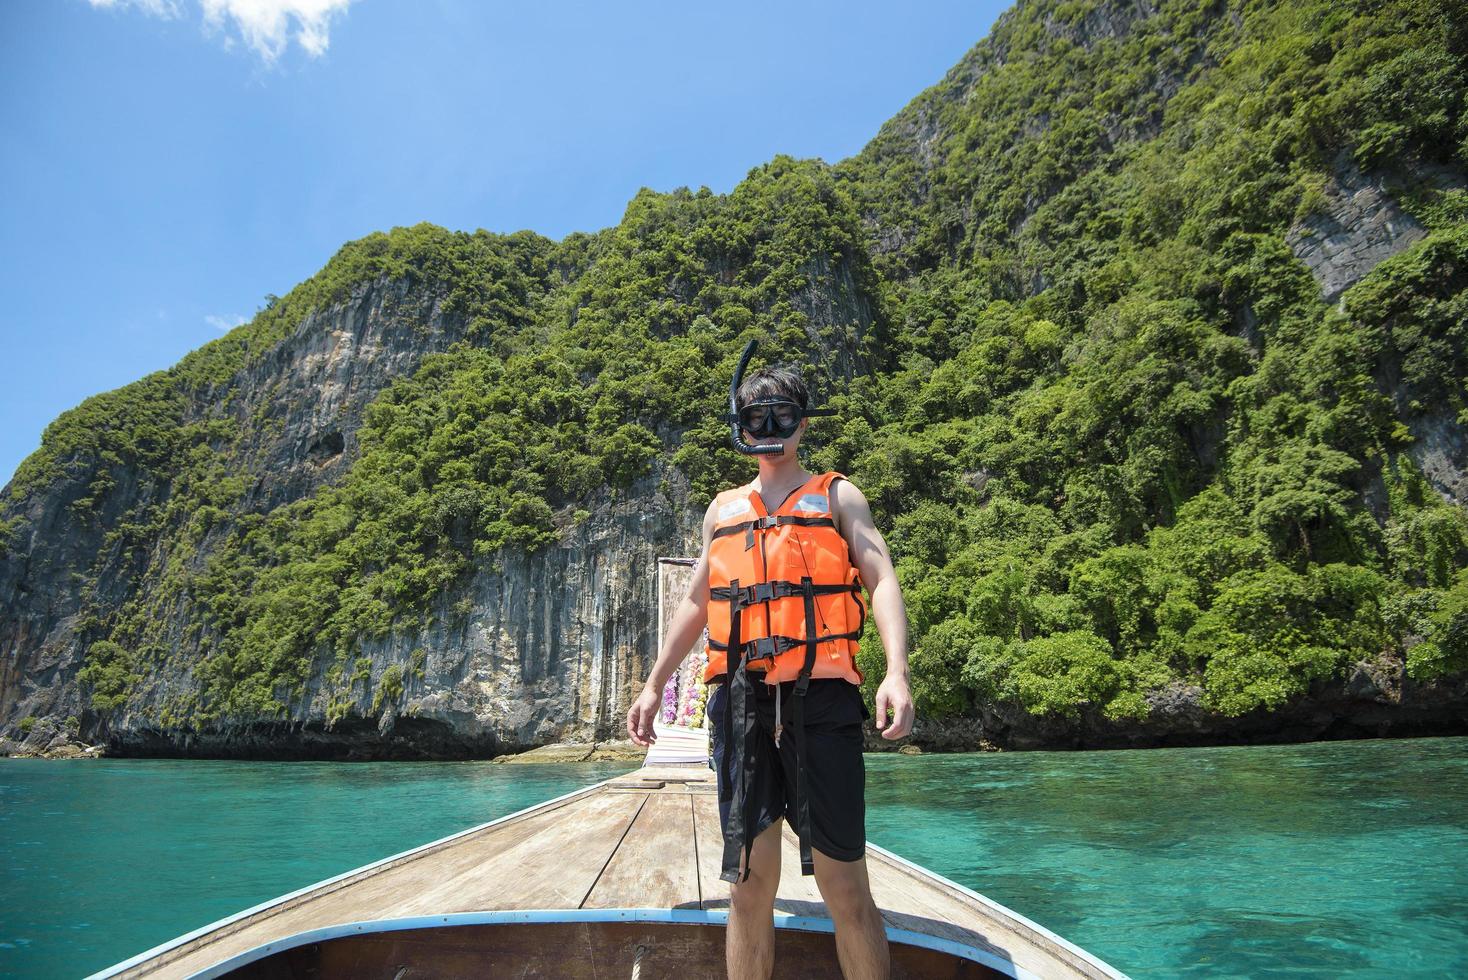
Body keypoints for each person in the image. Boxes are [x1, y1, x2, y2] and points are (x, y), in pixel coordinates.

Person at [627, 350, 914, 980]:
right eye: (759, 419)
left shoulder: (839, 497)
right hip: (744, 706)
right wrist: (653, 685)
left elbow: (881, 577)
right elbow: (698, 602)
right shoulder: (722, 512)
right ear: (741, 427)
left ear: (804, 423)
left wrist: (896, 671)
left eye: (784, 417)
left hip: (823, 702)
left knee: (844, 886)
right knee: (748, 887)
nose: (772, 432)